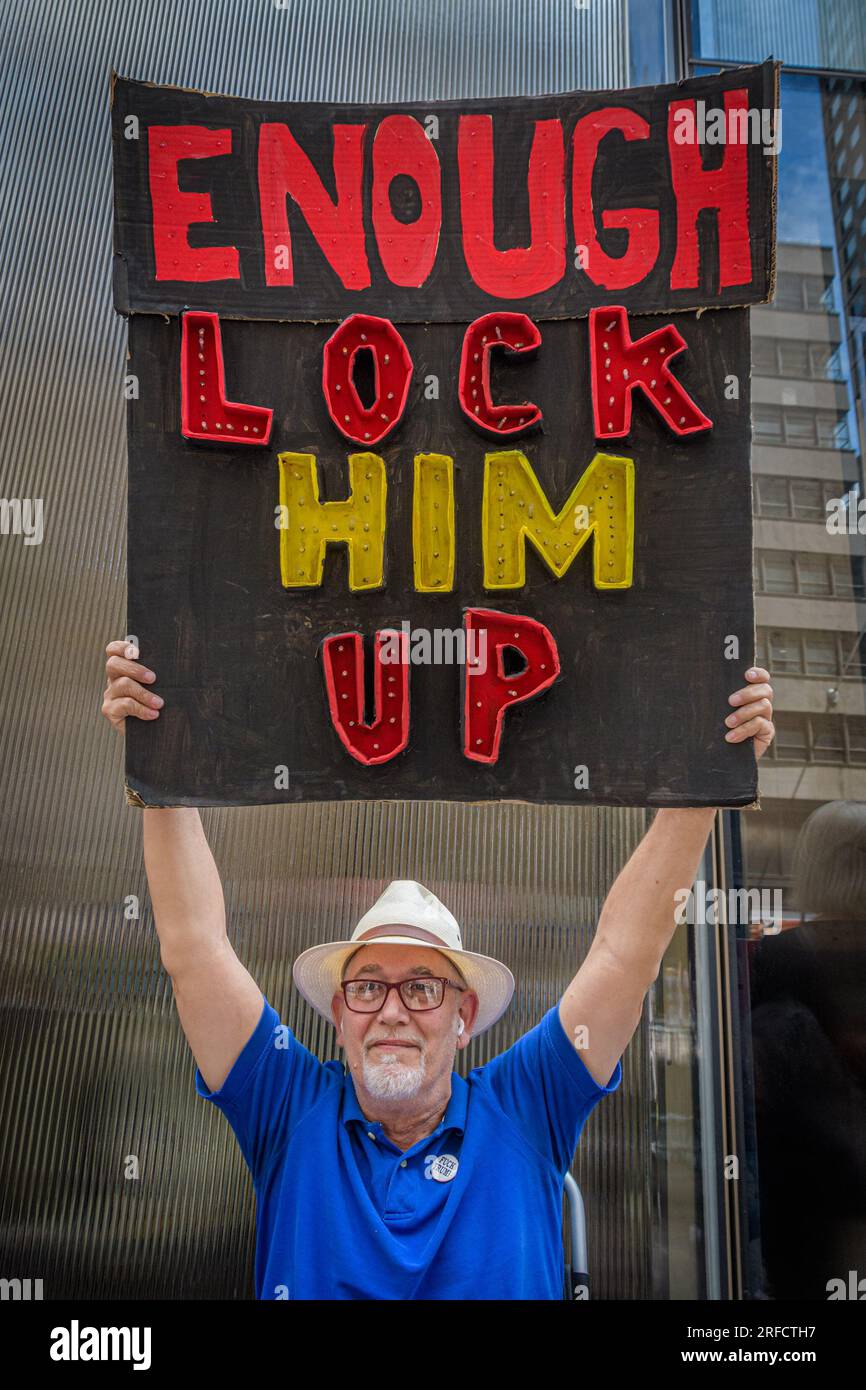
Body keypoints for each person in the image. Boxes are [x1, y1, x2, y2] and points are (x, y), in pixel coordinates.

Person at [101, 638, 775, 1299]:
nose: (391, 1010)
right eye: (367, 988)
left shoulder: (526, 1106)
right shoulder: (287, 1107)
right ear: (338, 1016)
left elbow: (624, 955)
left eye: (422, 988)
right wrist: (162, 760)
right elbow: (195, 950)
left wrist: (704, 781)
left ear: (464, 1017)